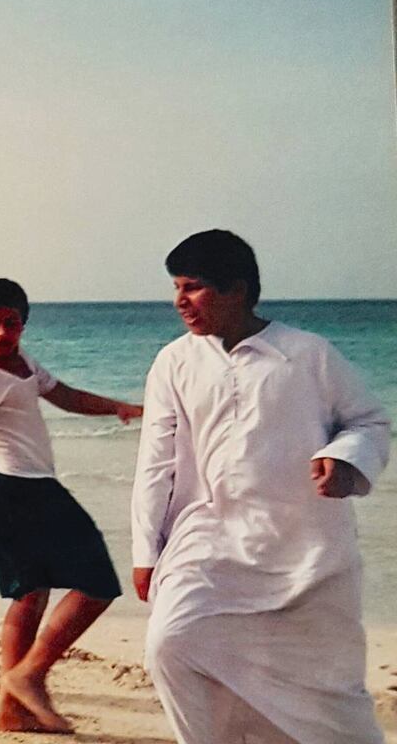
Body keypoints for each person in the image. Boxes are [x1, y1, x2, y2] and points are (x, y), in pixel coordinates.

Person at [131, 230, 390, 744]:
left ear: (239, 290)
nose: (180, 301)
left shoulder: (307, 354)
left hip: (306, 551)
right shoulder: (174, 362)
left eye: (194, 287)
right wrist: (146, 548)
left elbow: (370, 422)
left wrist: (343, 459)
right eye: (176, 287)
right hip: (206, 539)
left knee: (326, 694)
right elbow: (155, 461)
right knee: (170, 642)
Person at [0, 278, 142, 733]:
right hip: (10, 488)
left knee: (31, 593)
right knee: (96, 582)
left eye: (11, 322)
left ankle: (10, 709)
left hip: (33, 484)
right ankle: (28, 675)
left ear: (24, 322)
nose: (1, 332)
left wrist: (123, 408)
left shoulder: (21, 363)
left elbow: (66, 396)